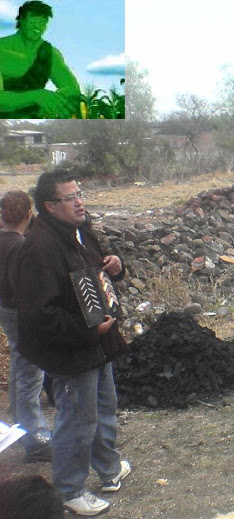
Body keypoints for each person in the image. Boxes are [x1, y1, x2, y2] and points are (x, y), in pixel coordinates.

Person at [16, 170, 131, 516]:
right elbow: (41, 315)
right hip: (72, 350)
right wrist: (87, 332)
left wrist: (114, 267)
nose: (80, 201)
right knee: (77, 420)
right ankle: (70, 489)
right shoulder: (39, 248)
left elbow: (90, 276)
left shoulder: (78, 232)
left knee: (104, 409)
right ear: (50, 206)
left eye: (79, 193)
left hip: (98, 343)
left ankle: (109, 471)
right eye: (71, 197)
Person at [0, 190, 52, 463]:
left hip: (5, 309)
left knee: (20, 364)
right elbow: (21, 286)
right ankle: (36, 439)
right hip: (20, 313)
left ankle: (20, 428)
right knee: (31, 375)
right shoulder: (19, 246)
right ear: (29, 214)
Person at [0, 1, 81, 118]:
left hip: (34, 123)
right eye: (33, 20)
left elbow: (72, 88)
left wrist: (54, 103)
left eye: (43, 22)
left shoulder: (50, 53)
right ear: (22, 19)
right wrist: (37, 96)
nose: (38, 26)